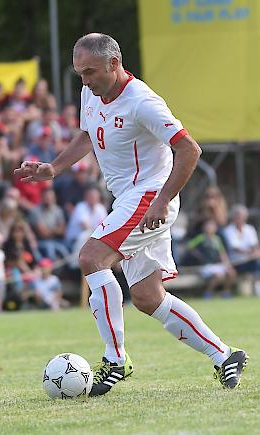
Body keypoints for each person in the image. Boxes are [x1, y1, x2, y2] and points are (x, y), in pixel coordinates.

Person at [15, 33, 247, 395]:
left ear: (114, 63)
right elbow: (88, 135)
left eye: (89, 71)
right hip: (129, 198)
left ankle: (115, 358)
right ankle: (225, 355)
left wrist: (162, 199)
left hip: (151, 196)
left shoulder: (143, 102)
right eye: (79, 73)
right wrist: (54, 168)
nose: (84, 80)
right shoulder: (90, 92)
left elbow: (189, 149)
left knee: (92, 258)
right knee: (147, 297)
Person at [185, 219, 236, 298]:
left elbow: (222, 253)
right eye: (208, 226)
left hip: (217, 264)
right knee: (218, 275)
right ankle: (208, 292)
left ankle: (226, 292)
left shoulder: (217, 239)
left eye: (212, 226)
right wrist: (198, 255)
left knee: (231, 273)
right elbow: (189, 246)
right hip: (206, 265)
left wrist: (227, 263)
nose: (210, 228)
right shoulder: (201, 237)